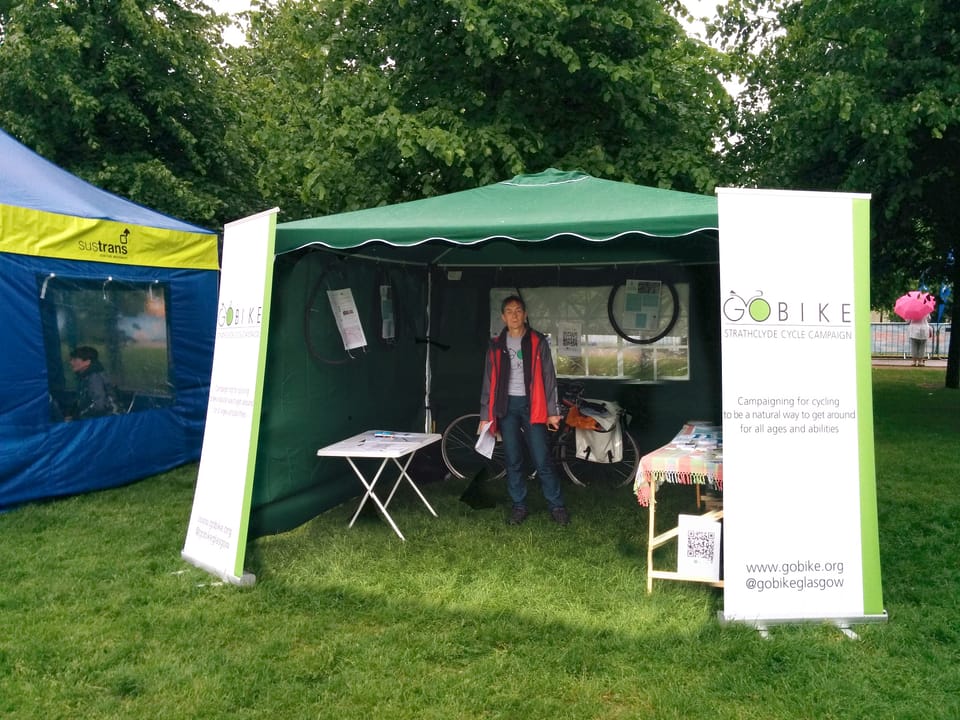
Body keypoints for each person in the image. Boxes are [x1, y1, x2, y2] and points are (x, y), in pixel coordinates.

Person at [479, 295, 570, 526]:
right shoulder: (497, 344)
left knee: (542, 458)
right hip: (506, 406)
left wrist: (552, 410)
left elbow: (549, 377)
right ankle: (519, 505)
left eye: (518, 310)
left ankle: (556, 505)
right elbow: (488, 381)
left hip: (534, 406)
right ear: (503, 316)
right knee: (513, 459)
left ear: (525, 314)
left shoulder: (537, 341)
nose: (514, 315)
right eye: (509, 311)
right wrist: (484, 416)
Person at [67, 346, 118, 419]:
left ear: (87, 362)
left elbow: (99, 406)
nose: (71, 362)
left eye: (74, 360)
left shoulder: (94, 378)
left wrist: (77, 417)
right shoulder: (85, 377)